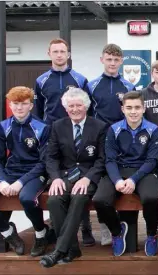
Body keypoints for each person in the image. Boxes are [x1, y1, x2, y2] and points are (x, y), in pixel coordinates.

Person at [0, 86, 53, 257]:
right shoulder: (3, 127)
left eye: (23, 104)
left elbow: (44, 162)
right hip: (11, 171)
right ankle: (8, 233)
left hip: (36, 173)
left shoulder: (43, 127)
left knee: (27, 198)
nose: (19, 108)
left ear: (31, 105)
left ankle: (41, 234)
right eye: (15, 104)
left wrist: (20, 183)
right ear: (10, 105)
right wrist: (1, 180)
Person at [40, 88, 108, 267]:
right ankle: (72, 248)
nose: (75, 109)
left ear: (86, 107)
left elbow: (102, 159)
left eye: (79, 105)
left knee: (78, 198)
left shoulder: (99, 126)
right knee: (54, 200)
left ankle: (60, 250)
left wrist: (88, 178)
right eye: (71, 106)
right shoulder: (57, 126)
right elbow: (52, 157)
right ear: (66, 108)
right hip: (65, 176)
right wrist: (55, 178)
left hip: (89, 176)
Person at [92, 91, 158, 257]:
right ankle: (117, 232)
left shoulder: (154, 129)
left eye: (137, 107)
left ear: (144, 109)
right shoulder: (113, 129)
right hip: (118, 170)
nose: (133, 111)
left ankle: (152, 234)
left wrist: (133, 179)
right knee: (99, 200)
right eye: (129, 107)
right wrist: (116, 180)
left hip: (144, 171)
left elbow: (152, 160)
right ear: (122, 109)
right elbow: (110, 160)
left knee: (151, 199)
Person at [33, 38, 89, 125]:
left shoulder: (80, 80)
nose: (59, 55)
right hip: (50, 129)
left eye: (62, 51)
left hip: (73, 130)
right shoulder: (41, 81)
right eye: (55, 52)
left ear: (68, 54)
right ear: (49, 54)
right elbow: (37, 110)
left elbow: (86, 108)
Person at [88, 43, 136, 125]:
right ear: (102, 60)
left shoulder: (129, 87)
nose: (112, 63)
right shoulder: (91, 86)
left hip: (121, 132)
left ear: (121, 61)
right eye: (109, 59)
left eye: (116, 60)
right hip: (98, 133)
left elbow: (133, 112)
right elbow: (87, 112)